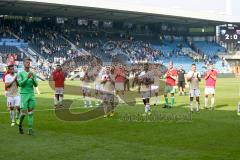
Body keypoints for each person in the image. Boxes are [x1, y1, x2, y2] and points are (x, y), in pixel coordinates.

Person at [17, 58, 38, 135]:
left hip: (31, 95)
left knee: (31, 113)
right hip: (24, 95)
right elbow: (20, 84)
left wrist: (32, 79)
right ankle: (20, 124)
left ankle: (30, 129)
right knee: (23, 113)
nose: (28, 64)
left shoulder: (33, 73)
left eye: (29, 62)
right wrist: (27, 78)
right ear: (23, 64)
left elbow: (36, 84)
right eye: (26, 62)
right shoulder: (20, 74)